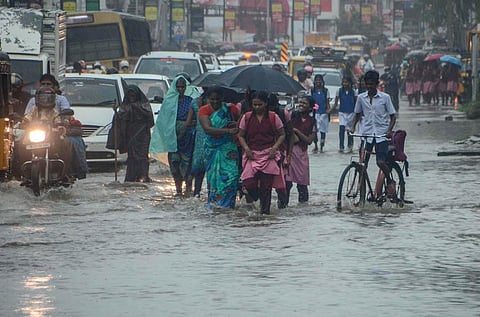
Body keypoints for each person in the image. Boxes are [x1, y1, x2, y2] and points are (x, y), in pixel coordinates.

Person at [149, 75, 201, 196]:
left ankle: (188, 189)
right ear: (175, 87)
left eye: (183, 87)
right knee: (174, 163)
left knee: (188, 162)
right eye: (178, 87)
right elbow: (164, 120)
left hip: (188, 136)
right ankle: (178, 190)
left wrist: (189, 125)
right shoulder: (169, 101)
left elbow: (197, 117)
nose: (181, 89)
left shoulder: (191, 101)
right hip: (173, 136)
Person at [350, 70, 397, 198]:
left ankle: (389, 180)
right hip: (366, 135)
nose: (369, 87)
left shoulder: (385, 98)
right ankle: (362, 192)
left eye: (371, 84)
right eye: (367, 84)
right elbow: (357, 114)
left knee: (380, 162)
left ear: (376, 84)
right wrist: (353, 127)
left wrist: (388, 130)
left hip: (381, 135)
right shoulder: (361, 98)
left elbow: (393, 116)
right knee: (362, 164)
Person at [237, 90, 286, 214]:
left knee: (267, 187)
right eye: (255, 105)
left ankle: (265, 214)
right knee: (248, 184)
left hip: (268, 155)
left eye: (260, 105)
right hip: (251, 155)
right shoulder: (246, 117)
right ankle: (257, 202)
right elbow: (241, 135)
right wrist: (246, 149)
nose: (257, 107)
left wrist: (275, 148)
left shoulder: (273, 117)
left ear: (265, 104)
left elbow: (282, 134)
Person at [198, 86, 240, 208]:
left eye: (218, 99)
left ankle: (228, 206)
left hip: (229, 148)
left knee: (232, 176)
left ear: (222, 98)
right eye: (212, 99)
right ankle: (216, 205)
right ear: (208, 99)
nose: (215, 102)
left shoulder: (231, 109)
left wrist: (236, 124)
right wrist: (227, 131)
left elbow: (243, 122)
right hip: (212, 149)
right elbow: (207, 129)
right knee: (214, 179)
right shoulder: (204, 111)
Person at [22, 86, 73, 181]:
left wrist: (61, 124)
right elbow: (27, 118)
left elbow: (58, 121)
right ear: (37, 99)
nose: (46, 101)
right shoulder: (34, 109)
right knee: (19, 145)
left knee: (66, 143)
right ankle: (20, 172)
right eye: (43, 98)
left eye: (49, 98)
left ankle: (64, 172)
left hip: (51, 136)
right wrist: (24, 122)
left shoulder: (54, 112)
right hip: (34, 135)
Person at [116, 85, 155, 182]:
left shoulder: (144, 105)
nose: (132, 97)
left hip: (143, 135)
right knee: (132, 157)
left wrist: (137, 108)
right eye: (130, 95)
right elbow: (120, 120)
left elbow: (150, 120)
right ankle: (131, 177)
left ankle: (144, 176)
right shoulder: (125, 106)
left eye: (134, 95)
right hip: (130, 134)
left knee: (142, 156)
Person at [283, 95, 316, 206]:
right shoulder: (292, 116)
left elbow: (309, 140)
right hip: (290, 152)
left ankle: (303, 208)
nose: (301, 105)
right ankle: (283, 205)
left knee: (302, 184)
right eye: (300, 102)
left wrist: (297, 131)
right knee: (287, 183)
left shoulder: (312, 121)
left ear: (310, 107)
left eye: (304, 103)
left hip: (302, 154)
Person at [330, 76, 357, 153]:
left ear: (350, 83)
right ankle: (341, 146)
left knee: (350, 130)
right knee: (342, 128)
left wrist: (358, 113)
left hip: (351, 112)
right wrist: (330, 110)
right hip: (342, 112)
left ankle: (350, 145)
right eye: (344, 82)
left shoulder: (354, 92)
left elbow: (356, 103)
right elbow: (335, 103)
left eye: (346, 82)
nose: (345, 84)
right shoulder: (339, 91)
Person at [311, 74, 330, 153]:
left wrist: (328, 110)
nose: (318, 82)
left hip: (324, 113)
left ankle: (322, 145)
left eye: (319, 80)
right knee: (314, 130)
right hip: (315, 113)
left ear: (322, 81)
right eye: (316, 80)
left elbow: (327, 102)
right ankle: (315, 145)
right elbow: (311, 101)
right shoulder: (312, 90)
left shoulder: (325, 91)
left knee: (323, 130)